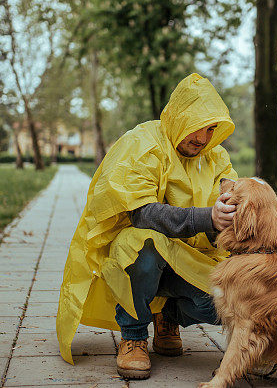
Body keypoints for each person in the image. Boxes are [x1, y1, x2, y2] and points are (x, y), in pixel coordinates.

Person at [56, 73, 238, 380]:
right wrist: (207, 217)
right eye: (197, 127)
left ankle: (166, 315)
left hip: (186, 260)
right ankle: (134, 334)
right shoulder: (141, 143)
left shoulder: (215, 157)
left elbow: (229, 203)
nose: (203, 138)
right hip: (141, 257)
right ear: (180, 117)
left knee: (226, 303)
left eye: (210, 129)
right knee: (142, 243)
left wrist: (228, 213)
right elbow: (141, 213)